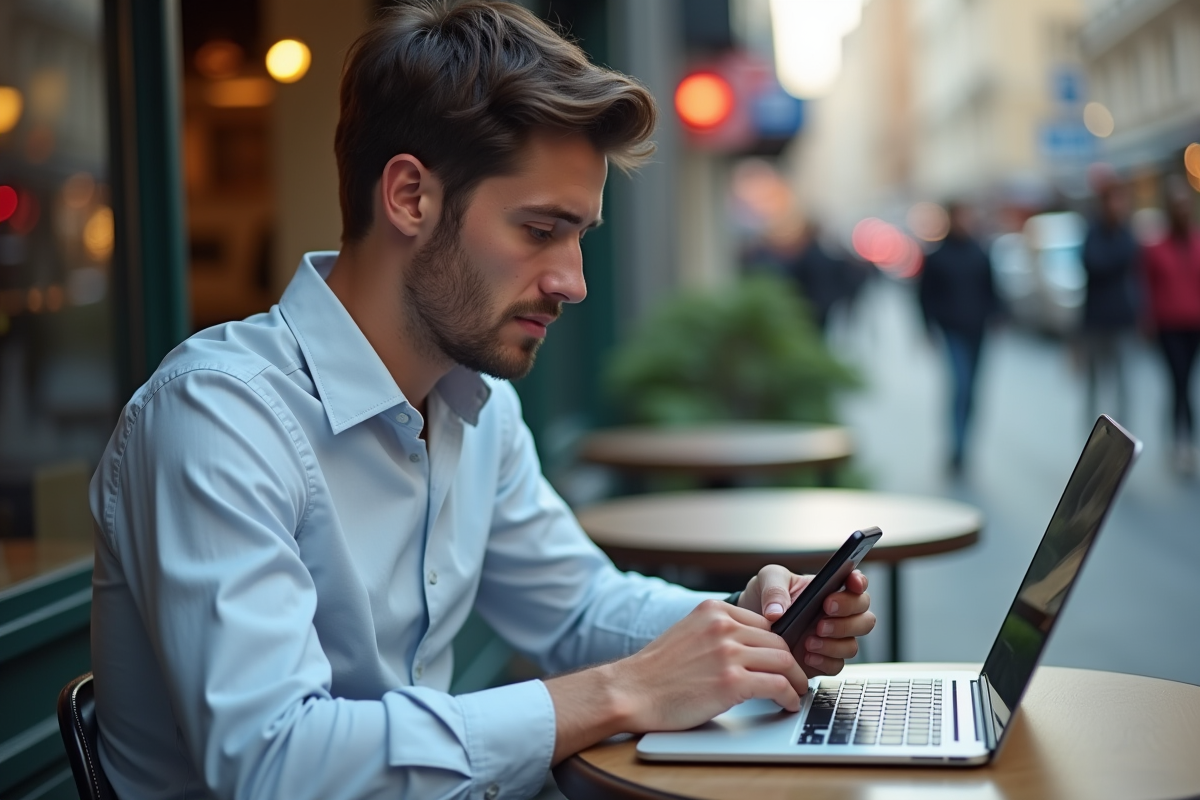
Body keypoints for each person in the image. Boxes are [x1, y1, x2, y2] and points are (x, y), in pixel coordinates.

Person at [87, 4, 876, 800]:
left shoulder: (476, 404)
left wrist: (741, 625)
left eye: (580, 236)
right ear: (409, 197)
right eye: (539, 229)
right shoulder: (217, 419)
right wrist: (622, 691)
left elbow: (577, 608)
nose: (574, 281)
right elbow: (276, 763)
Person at [918, 201, 999, 475]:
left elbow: (992, 289)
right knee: (961, 386)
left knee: (972, 391)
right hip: (952, 330)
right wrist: (927, 326)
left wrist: (997, 315)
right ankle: (957, 445)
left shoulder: (979, 252)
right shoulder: (938, 256)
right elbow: (925, 295)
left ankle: (966, 445)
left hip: (977, 330)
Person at [1141, 177, 1200, 474]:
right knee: (1179, 382)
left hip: (1194, 324)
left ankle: (1184, 439)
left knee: (1186, 382)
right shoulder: (1155, 248)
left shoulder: (1197, 243)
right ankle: (1181, 441)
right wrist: (1147, 320)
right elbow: (1146, 286)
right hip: (1168, 325)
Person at [1080, 181, 1139, 425]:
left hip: (1122, 319)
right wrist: (1117, 258)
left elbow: (1132, 261)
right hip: (1096, 320)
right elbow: (1093, 263)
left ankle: (1123, 436)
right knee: (1094, 382)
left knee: (1123, 380)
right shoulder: (1094, 232)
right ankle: (1092, 436)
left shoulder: (1126, 233)